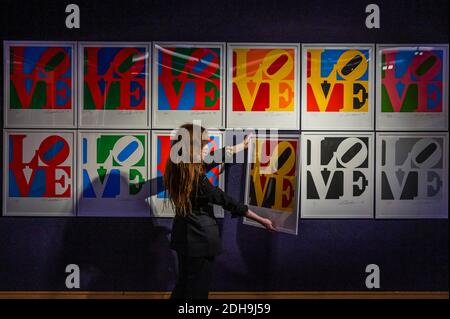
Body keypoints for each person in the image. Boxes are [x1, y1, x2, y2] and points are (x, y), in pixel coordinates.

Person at [164, 123, 276, 299]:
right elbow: (228, 202)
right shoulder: (198, 181)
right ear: (192, 147)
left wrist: (242, 146)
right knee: (197, 292)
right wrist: (261, 219)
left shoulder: (178, 167)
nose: (208, 146)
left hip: (183, 238)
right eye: (204, 143)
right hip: (200, 241)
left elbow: (215, 157)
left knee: (184, 285)